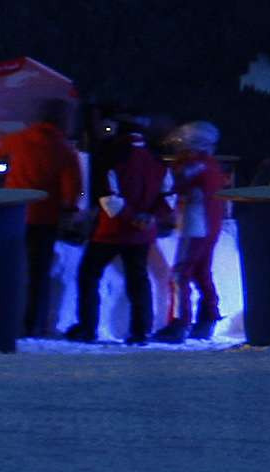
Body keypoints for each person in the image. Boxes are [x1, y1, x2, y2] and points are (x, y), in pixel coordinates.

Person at [64, 115, 167, 344]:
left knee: (89, 275)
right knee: (138, 280)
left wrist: (131, 217)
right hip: (142, 234)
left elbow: (108, 197)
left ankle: (88, 327)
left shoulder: (113, 156)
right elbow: (168, 197)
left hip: (111, 231)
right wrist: (149, 217)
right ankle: (141, 331)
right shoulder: (157, 160)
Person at [0, 103, 79, 337]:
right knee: (39, 274)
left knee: (9, 269)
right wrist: (70, 209)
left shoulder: (14, 141)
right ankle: (33, 324)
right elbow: (74, 189)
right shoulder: (65, 149)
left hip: (13, 214)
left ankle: (3, 318)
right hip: (45, 218)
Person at [157, 122, 230, 344]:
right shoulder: (212, 165)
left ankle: (180, 322)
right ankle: (208, 318)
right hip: (210, 225)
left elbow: (174, 184)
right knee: (201, 272)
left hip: (195, 225)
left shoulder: (195, 165)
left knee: (180, 274)